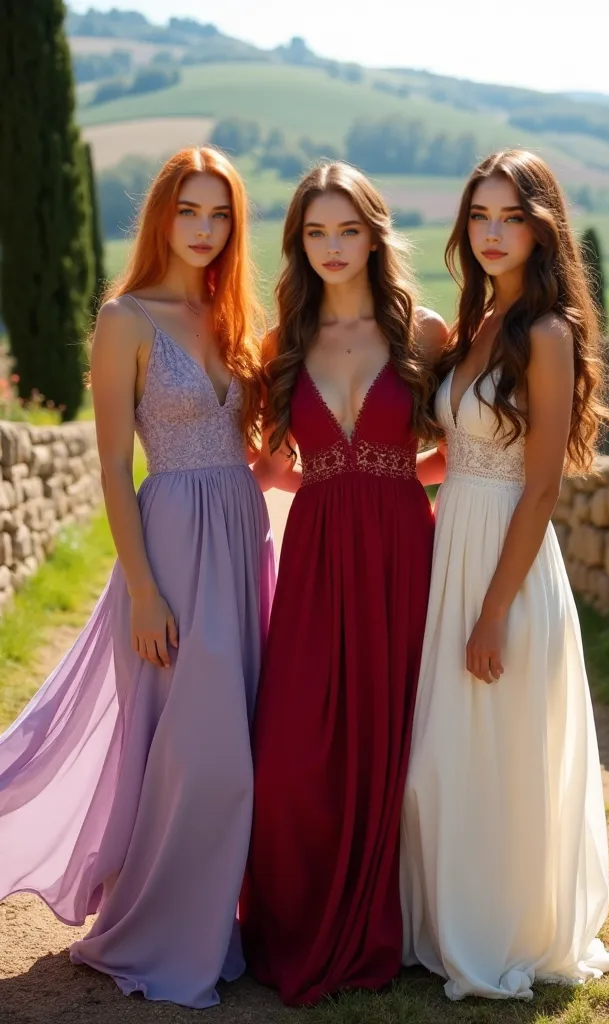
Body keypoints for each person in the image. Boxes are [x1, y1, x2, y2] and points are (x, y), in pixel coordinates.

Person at [0, 146, 275, 1008]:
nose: (205, 228)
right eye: (190, 210)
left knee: (239, 738)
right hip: (173, 547)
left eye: (220, 214)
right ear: (161, 215)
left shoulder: (230, 318)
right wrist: (145, 590)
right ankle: (156, 934)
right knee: (198, 755)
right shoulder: (126, 318)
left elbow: (256, 448)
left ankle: (215, 926)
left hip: (241, 534)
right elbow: (116, 468)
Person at [401, 149, 609, 1001]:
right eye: (480, 217)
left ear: (542, 228)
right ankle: (446, 918)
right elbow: (457, 455)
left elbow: (539, 485)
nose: (493, 233)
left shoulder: (547, 332)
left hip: (507, 561)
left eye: (512, 218)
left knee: (491, 753)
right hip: (451, 543)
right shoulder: (477, 324)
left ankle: (502, 929)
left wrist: (493, 611)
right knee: (443, 758)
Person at [240, 161, 447, 1006]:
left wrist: (391, 475)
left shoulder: (424, 332)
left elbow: (458, 447)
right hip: (318, 560)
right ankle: (296, 917)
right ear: (299, 243)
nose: (332, 247)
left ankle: (389, 920)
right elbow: (264, 467)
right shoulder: (282, 342)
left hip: (406, 550)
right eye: (316, 232)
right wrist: (324, 479)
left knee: (401, 740)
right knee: (290, 755)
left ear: (374, 233)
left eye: (347, 230)